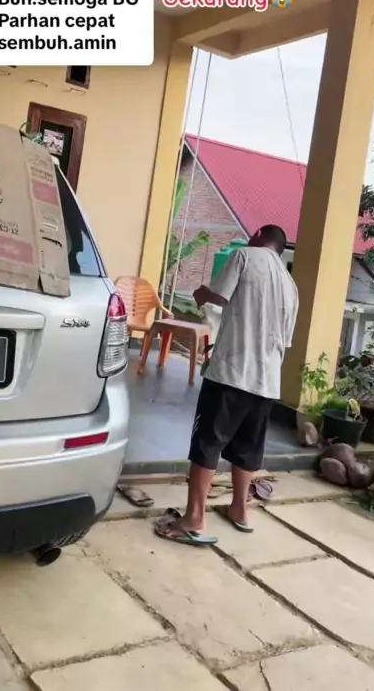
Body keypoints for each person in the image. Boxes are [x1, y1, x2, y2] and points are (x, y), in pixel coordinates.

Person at [156, 224, 298, 546]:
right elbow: (285, 341)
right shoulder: (291, 285)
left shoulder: (244, 256)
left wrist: (202, 294)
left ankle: (194, 519)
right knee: (247, 448)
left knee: (208, 442)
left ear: (258, 234)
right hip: (267, 382)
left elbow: (220, 295)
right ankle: (239, 510)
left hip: (231, 374)